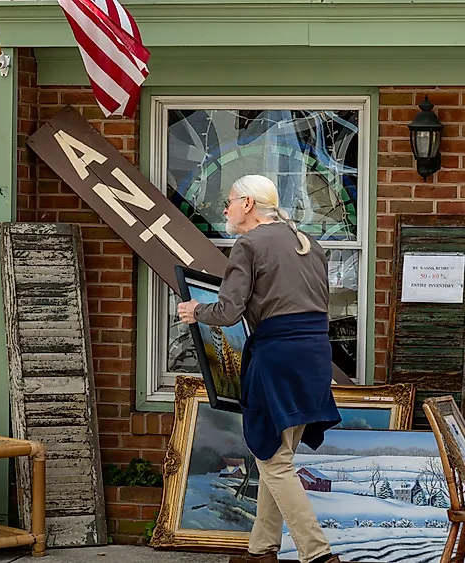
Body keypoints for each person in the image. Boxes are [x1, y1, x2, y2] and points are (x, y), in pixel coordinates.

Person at [177, 174, 342, 563]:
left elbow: (229, 311)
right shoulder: (308, 243)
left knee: (273, 459)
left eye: (230, 201)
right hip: (315, 355)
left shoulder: (249, 244)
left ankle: (318, 555)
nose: (226, 209)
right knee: (277, 453)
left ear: (248, 205)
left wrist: (194, 311)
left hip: (278, 357)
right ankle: (261, 551)